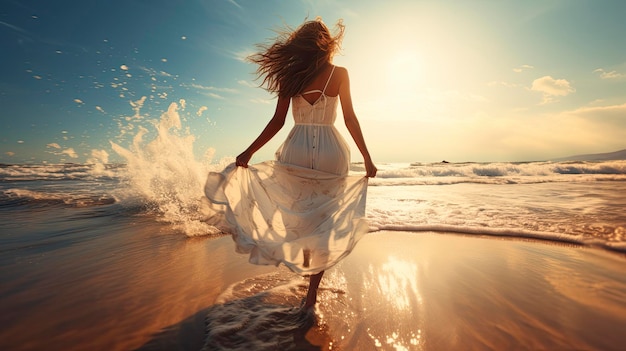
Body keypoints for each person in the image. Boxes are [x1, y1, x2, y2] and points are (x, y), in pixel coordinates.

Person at [203, 17, 376, 309]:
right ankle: (310, 297)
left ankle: (304, 269)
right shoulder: (340, 73)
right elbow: (349, 118)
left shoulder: (291, 77)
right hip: (331, 151)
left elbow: (277, 122)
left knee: (299, 218)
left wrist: (249, 152)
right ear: (327, 44)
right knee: (324, 224)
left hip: (295, 147)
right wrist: (367, 156)